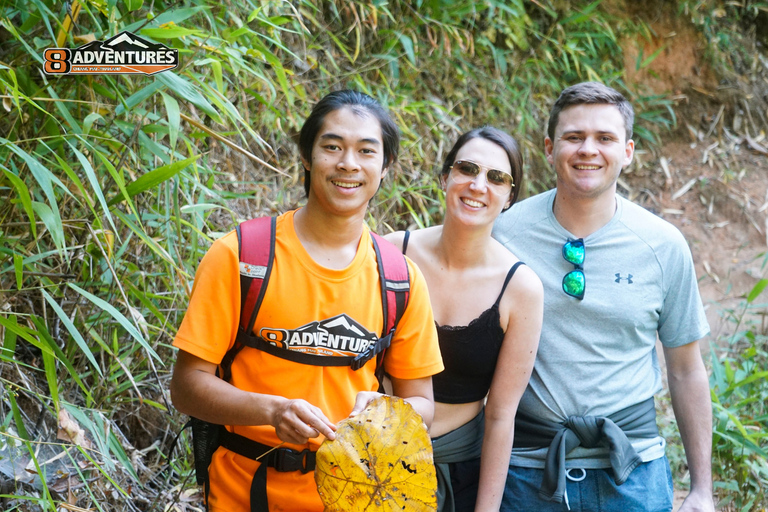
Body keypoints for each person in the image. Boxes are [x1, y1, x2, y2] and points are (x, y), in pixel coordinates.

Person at [170, 90, 444, 512]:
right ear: (306, 155)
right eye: (332, 147)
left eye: (366, 151)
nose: (348, 164)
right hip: (245, 493)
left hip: (355, 497)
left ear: (385, 167)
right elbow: (187, 387)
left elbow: (423, 406)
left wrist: (388, 409)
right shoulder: (242, 257)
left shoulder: (400, 279)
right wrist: (272, 410)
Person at [493, 82, 714, 511]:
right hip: (526, 471)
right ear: (549, 147)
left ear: (627, 151)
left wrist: (702, 489)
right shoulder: (504, 234)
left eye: (605, 138)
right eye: (574, 137)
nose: (588, 150)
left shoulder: (662, 245)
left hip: (633, 473)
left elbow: (686, 370)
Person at [385, 127, 543, 512]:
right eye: (467, 168)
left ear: (509, 197)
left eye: (496, 177)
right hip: (373, 455)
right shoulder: (391, 253)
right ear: (445, 177)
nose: (478, 185)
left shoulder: (520, 289)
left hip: (459, 471)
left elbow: (502, 415)